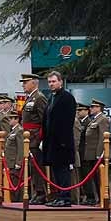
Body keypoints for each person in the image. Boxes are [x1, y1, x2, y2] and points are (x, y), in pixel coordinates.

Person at [43, 71, 77, 207]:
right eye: (49, 82)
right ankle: (59, 195)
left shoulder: (66, 97)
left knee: (63, 170)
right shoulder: (51, 97)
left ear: (60, 82)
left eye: (54, 81)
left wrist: (63, 141)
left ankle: (66, 197)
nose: (51, 84)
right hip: (52, 141)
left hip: (62, 142)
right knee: (56, 170)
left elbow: (67, 121)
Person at [20, 73, 48, 204]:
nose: (23, 85)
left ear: (34, 83)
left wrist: (42, 138)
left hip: (35, 137)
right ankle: (37, 192)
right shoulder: (30, 98)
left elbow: (44, 119)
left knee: (37, 167)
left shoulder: (39, 98)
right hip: (28, 137)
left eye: (26, 82)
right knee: (32, 167)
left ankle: (41, 193)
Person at [81, 100, 110, 206]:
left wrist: (99, 154)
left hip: (96, 154)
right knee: (94, 178)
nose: (91, 108)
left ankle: (103, 197)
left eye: (93, 107)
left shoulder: (102, 119)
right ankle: (98, 197)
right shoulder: (94, 119)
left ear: (99, 108)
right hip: (90, 153)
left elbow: (103, 136)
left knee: (99, 178)